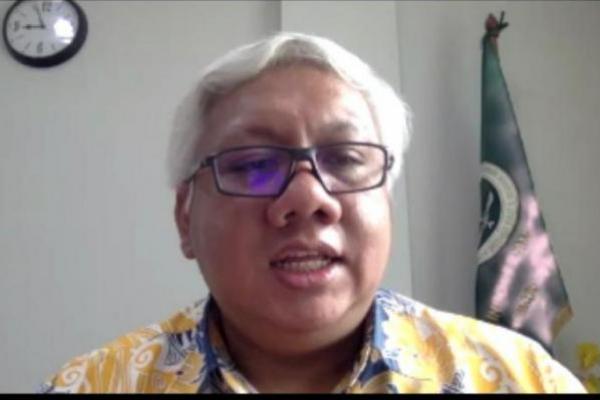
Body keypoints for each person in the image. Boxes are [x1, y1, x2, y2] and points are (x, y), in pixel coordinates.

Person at [39, 32, 586, 394]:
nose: (307, 198)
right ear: (185, 217)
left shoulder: (523, 379)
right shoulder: (91, 384)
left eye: (345, 159)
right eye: (253, 164)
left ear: (386, 201)